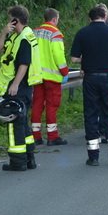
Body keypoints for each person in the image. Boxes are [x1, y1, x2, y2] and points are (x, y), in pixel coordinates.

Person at [70, 5, 108, 166]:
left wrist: (88, 59)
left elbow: (74, 59)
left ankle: (93, 156)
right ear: (104, 16)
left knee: (91, 115)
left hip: (91, 79)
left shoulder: (82, 33)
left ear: (90, 18)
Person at [0, 5, 41, 172]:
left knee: (15, 125)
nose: (8, 22)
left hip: (19, 87)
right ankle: (30, 159)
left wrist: (15, 84)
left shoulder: (25, 39)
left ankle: (17, 161)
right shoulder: (15, 36)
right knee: (23, 124)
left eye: (10, 19)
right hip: (19, 86)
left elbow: (24, 64)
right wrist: (3, 31)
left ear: (16, 20)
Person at [31, 8, 70, 146]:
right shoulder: (55, 34)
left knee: (37, 105)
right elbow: (58, 56)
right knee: (52, 106)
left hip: (37, 75)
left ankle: (35, 136)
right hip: (52, 77)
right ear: (54, 19)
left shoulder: (34, 32)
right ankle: (52, 136)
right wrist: (65, 71)